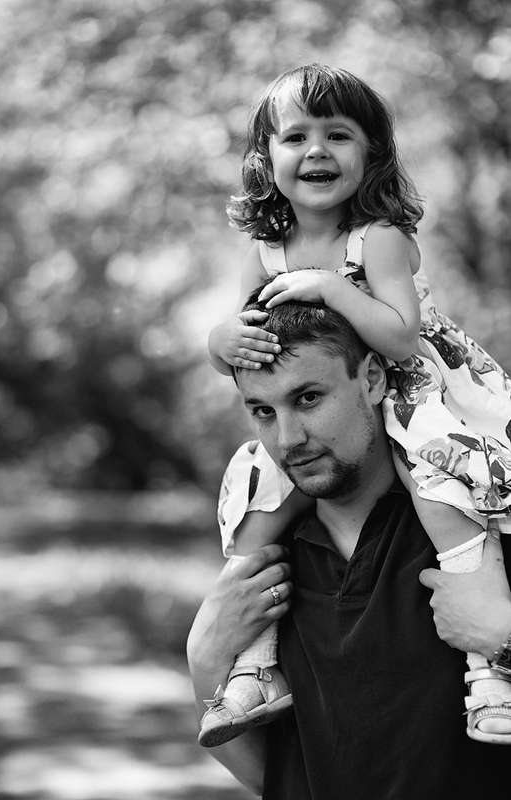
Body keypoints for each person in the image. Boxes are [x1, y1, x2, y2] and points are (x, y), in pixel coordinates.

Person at [200, 62, 511, 747]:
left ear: (370, 154)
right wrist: (221, 341)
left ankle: (489, 668)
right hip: (326, 404)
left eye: (337, 135)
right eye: (296, 137)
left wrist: (333, 288)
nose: (316, 150)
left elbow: (399, 337)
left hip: (412, 390)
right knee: (257, 511)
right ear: (267, 159)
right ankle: (255, 666)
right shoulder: (265, 250)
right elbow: (245, 342)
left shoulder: (378, 239)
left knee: (444, 497)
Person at [188, 296, 511, 799]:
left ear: (373, 379)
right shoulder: (270, 561)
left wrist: (502, 641)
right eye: (263, 411)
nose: (288, 439)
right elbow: (276, 777)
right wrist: (203, 658)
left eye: (308, 398)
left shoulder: (477, 535)